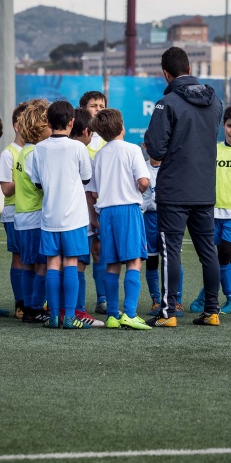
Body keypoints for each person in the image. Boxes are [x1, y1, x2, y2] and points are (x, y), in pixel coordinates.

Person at [144, 47, 223, 327]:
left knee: (170, 251)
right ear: (189, 68)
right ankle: (212, 311)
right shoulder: (216, 102)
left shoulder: (167, 102)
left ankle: (168, 313)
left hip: (175, 190)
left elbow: (155, 149)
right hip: (204, 189)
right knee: (208, 251)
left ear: (166, 73)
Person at [29, 100, 94, 330]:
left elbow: (37, 182)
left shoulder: (39, 148)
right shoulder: (78, 148)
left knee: (52, 264)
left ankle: (54, 316)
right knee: (71, 263)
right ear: (71, 122)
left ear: (48, 121)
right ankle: (69, 317)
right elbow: (86, 177)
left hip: (49, 216)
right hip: (74, 216)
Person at [87, 108, 151, 330]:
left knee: (112, 264)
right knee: (134, 261)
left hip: (107, 213)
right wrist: (139, 188)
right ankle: (130, 313)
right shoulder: (132, 150)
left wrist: (93, 216)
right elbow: (143, 181)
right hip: (128, 210)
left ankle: (113, 315)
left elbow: (92, 191)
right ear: (121, 126)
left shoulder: (99, 155)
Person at [189, 105, 231, 316]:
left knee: (224, 256)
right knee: (213, 258)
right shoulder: (213, 149)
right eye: (230, 126)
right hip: (211, 212)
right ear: (223, 125)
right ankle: (206, 294)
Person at [14, 99, 52, 324]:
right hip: (35, 215)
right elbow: (40, 185)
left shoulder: (24, 151)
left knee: (29, 263)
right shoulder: (34, 153)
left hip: (23, 214)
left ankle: (29, 307)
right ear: (39, 127)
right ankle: (35, 306)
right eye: (48, 123)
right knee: (43, 264)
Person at [69, 108, 105, 327]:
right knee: (79, 263)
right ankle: (78, 311)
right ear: (84, 131)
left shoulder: (46, 148)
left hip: (56, 217)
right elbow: (88, 188)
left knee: (61, 263)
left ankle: (59, 310)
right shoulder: (82, 151)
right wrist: (93, 217)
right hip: (78, 218)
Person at [142, 152, 185, 319]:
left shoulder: (172, 166)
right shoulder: (142, 168)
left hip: (170, 216)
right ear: (146, 146)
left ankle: (176, 300)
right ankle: (156, 300)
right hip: (149, 218)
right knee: (152, 260)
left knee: (174, 258)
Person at [79, 90, 109, 314]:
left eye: (101, 105)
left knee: (99, 252)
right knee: (78, 255)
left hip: (100, 205)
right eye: (93, 105)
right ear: (83, 109)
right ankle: (75, 303)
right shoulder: (78, 139)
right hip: (78, 205)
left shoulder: (110, 139)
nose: (98, 109)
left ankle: (102, 298)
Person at [0, 102, 28, 318]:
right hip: (15, 213)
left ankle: (35, 301)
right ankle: (21, 303)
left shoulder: (36, 150)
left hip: (34, 212)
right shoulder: (9, 153)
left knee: (35, 258)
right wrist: (25, 179)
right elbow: (6, 190)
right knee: (19, 258)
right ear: (17, 125)